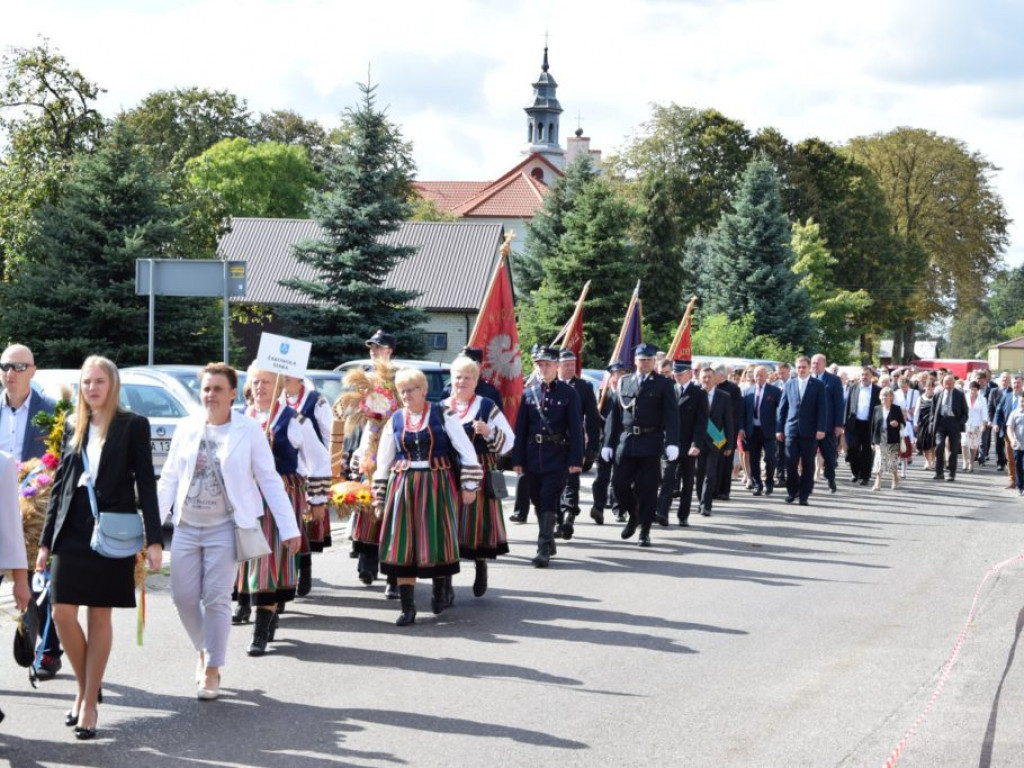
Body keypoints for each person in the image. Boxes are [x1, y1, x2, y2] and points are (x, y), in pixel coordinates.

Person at [37, 357, 163, 739]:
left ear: (113, 385)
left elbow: (147, 482)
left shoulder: (132, 425)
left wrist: (154, 539)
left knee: (99, 617)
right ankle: (84, 686)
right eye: (86, 382)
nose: (92, 388)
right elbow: (59, 487)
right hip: (71, 531)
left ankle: (88, 703)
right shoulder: (73, 425)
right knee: (61, 615)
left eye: (99, 381)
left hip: (111, 532)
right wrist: (45, 541)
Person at [160, 363, 302, 700]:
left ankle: (212, 668)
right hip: (186, 526)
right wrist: (150, 528)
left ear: (233, 394)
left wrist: (288, 527)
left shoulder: (247, 429)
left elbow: (268, 478)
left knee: (217, 597)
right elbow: (168, 479)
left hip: (226, 527)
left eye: (218, 389)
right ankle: (203, 648)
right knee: (182, 597)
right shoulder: (187, 428)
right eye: (206, 389)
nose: (210, 395)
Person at [374, 368, 481, 623]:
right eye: (402, 391)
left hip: (437, 484)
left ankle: (439, 592)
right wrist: (379, 496)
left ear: (423, 390)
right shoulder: (395, 420)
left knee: (436, 537)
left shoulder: (443, 414)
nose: (407, 395)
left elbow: (467, 451)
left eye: (412, 389)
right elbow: (383, 461)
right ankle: (407, 607)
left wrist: (469, 485)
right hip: (404, 486)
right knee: (402, 543)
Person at [238, 366, 330, 655]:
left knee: (270, 562)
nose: (260, 387)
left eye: (266, 382)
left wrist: (317, 500)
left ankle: (260, 631)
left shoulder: (294, 420)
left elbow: (319, 460)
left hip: (280, 497)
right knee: (248, 561)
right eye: (255, 382)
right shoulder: (240, 418)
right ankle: (265, 613)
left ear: (278, 386)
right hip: (245, 499)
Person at [0, 344, 61, 681]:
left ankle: (49, 651)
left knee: (40, 585)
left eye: (19, 367)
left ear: (33, 371)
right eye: (6, 366)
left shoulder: (50, 412)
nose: (11, 373)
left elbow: (59, 461)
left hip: (35, 510)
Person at [446, 356, 514, 597]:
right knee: (448, 525)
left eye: (467, 377)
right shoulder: (443, 406)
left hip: (480, 469)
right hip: (450, 471)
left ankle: (480, 565)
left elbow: (508, 443)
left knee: (476, 525)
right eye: (458, 377)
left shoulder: (486, 406)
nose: (461, 382)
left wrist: (488, 430)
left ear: (476, 381)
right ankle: (445, 583)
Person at [602, 344, 679, 546]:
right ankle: (633, 514)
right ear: (634, 361)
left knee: (648, 488)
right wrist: (608, 442)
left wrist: (672, 442)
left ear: (654, 362)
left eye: (648, 360)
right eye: (641, 359)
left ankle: (644, 530)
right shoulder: (624, 382)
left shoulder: (663, 384)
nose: (644, 363)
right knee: (618, 484)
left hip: (651, 441)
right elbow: (615, 415)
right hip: (626, 442)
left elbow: (672, 415)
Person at [513, 346, 583, 566]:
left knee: (548, 498)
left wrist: (575, 459)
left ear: (556, 366)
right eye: (539, 364)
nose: (543, 368)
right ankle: (549, 537)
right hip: (533, 455)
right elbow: (521, 429)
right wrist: (517, 459)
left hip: (557, 456)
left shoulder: (569, 393)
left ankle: (542, 548)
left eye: (547, 364)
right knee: (536, 499)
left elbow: (576, 428)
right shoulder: (528, 393)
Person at [281, 372, 334, 594]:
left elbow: (329, 435)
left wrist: (326, 471)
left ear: (298, 378)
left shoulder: (316, 401)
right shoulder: (275, 400)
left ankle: (306, 568)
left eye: (286, 375)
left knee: (302, 525)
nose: (282, 379)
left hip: (306, 470)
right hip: (284, 470)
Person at [655, 360, 707, 526]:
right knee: (667, 478)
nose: (677, 376)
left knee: (687, 481)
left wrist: (696, 444)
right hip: (670, 443)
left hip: (688, 444)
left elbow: (701, 422)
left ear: (690, 374)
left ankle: (683, 514)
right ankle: (662, 512)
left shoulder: (698, 393)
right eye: (675, 374)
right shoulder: (669, 389)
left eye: (680, 374)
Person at [556, 349, 600, 539]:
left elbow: (593, 418)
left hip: (574, 441)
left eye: (572, 364)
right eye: (566, 364)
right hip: (553, 443)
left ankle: (568, 516)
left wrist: (592, 446)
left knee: (572, 480)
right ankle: (558, 518)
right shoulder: (549, 385)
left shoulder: (583, 387)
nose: (570, 368)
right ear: (557, 366)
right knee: (555, 483)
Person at [776, 356, 827, 506]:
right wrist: (779, 429)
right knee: (790, 462)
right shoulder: (789, 384)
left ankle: (804, 494)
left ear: (809, 368)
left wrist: (821, 428)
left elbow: (822, 409)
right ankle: (792, 492)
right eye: (798, 367)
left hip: (810, 432)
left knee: (808, 464)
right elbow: (782, 408)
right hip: (791, 430)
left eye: (804, 367)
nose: (801, 369)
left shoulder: (818, 385)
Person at [695, 366, 734, 517]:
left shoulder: (724, 396)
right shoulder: (696, 394)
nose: (707, 380)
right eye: (704, 377)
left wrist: (730, 444)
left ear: (715, 378)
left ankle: (706, 505)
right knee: (699, 474)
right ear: (700, 378)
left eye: (709, 377)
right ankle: (700, 501)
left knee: (710, 475)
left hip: (715, 441)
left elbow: (729, 421)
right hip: (697, 441)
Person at [590, 363, 625, 525]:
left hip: (621, 441)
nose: (619, 377)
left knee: (619, 478)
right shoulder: (601, 394)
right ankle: (598, 507)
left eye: (623, 373)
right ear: (610, 376)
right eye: (617, 374)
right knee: (601, 477)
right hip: (604, 441)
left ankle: (619, 509)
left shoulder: (628, 394)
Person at [739, 366, 781, 496]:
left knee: (770, 457)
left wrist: (779, 429)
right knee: (754, 459)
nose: (758, 378)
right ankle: (758, 484)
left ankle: (769, 482)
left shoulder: (774, 391)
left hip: (769, 431)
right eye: (756, 375)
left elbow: (780, 411)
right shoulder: (747, 392)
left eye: (761, 375)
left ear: (766, 376)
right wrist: (741, 428)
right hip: (752, 431)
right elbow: (742, 412)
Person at [811, 354, 844, 494]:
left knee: (829, 456)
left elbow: (839, 404)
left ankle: (830, 479)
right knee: (808, 456)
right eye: (813, 363)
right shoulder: (808, 379)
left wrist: (838, 424)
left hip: (828, 426)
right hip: (810, 426)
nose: (815, 365)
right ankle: (809, 483)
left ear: (824, 364)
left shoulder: (834, 380)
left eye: (817, 363)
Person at [844, 367, 881, 485]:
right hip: (855, 424)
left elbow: (879, 409)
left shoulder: (877, 390)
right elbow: (848, 405)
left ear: (871, 376)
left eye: (867, 374)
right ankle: (855, 472)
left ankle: (865, 476)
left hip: (869, 425)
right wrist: (844, 423)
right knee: (852, 449)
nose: (864, 377)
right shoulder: (853, 388)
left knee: (867, 451)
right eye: (862, 374)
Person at [713, 364, 743, 501]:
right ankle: (712, 489)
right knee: (713, 461)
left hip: (725, 430)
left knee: (725, 461)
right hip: (711, 429)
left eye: (713, 374)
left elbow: (735, 412)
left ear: (721, 375)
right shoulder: (711, 387)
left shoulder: (733, 389)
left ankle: (724, 491)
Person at [933, 374, 968, 482]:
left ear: (954, 383)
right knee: (939, 446)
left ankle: (951, 473)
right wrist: (933, 423)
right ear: (942, 383)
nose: (948, 385)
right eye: (946, 383)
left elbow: (965, 413)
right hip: (941, 422)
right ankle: (939, 472)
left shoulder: (959, 394)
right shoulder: (938, 394)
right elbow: (933, 410)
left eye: (950, 383)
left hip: (954, 422)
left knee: (953, 449)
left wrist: (958, 423)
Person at [871, 387, 905, 491]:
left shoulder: (896, 409)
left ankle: (895, 478)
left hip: (893, 437)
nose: (884, 397)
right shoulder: (877, 408)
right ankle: (878, 481)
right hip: (880, 438)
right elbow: (873, 425)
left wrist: (897, 424)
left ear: (891, 398)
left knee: (892, 461)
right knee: (879, 459)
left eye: (886, 395)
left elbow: (903, 423)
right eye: (882, 395)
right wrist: (872, 441)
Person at [892, 375, 920, 478]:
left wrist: (913, 410)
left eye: (904, 386)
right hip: (901, 418)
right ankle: (902, 461)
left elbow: (918, 405)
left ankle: (908, 458)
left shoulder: (915, 393)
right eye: (901, 386)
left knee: (910, 437)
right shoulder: (896, 394)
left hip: (912, 417)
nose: (902, 388)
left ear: (908, 385)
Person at [962, 380, 988, 473]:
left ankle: (971, 462)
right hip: (966, 423)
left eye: (975, 389)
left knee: (974, 445)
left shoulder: (982, 399)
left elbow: (984, 412)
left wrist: (984, 423)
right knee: (964, 443)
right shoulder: (965, 397)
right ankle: (965, 461)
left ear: (978, 390)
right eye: (971, 389)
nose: (973, 391)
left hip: (977, 424)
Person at [915, 377, 938, 470]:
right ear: (925, 388)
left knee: (933, 444)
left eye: (932, 388)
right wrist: (915, 424)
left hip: (934, 424)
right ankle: (927, 461)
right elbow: (916, 412)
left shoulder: (937, 398)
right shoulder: (920, 398)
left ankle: (933, 461)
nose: (930, 390)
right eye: (928, 388)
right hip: (923, 424)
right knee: (924, 444)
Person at [1007, 397, 1024, 496]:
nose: (1023, 403)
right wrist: (1012, 439)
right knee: (1018, 466)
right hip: (1018, 445)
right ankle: (1020, 486)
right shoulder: (1014, 413)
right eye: (1022, 401)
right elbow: (1009, 428)